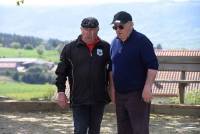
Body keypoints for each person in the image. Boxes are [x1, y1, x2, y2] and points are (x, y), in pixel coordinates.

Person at [55, 17, 113, 134]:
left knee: (95, 130)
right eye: (86, 29)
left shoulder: (106, 48)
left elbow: (112, 72)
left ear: (98, 30)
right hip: (78, 99)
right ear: (81, 29)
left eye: (93, 30)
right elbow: (61, 73)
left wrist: (112, 91)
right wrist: (61, 92)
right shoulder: (69, 49)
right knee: (80, 130)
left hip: (99, 99)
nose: (89, 33)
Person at [110, 11, 159, 134]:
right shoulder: (114, 43)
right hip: (120, 95)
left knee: (139, 130)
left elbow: (152, 66)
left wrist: (148, 87)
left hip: (137, 95)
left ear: (131, 24)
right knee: (123, 130)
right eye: (114, 27)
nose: (117, 30)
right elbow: (111, 68)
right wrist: (112, 89)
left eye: (120, 26)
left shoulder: (142, 41)